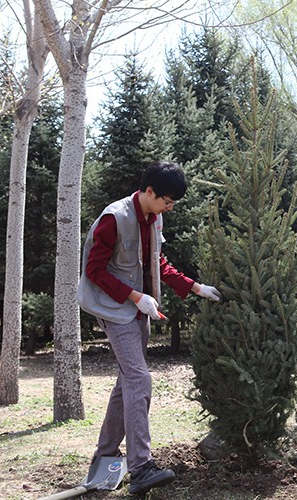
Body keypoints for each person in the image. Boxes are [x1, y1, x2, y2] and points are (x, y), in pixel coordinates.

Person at [77, 161, 222, 495]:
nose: (169, 208)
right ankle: (141, 467)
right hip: (113, 308)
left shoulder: (155, 218)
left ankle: (104, 460)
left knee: (126, 383)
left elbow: (158, 262)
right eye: (166, 201)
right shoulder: (114, 218)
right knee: (139, 379)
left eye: (172, 203)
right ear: (150, 191)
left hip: (138, 308)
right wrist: (135, 296)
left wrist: (195, 288)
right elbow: (95, 271)